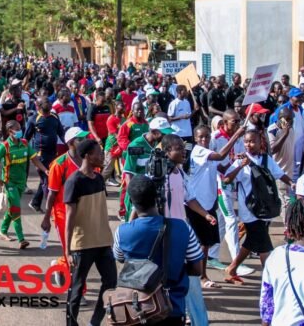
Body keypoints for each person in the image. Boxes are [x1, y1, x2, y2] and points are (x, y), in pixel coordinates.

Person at [114, 174, 205, 326]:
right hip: (172, 307)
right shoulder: (183, 227)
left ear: (131, 201)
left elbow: (120, 258)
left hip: (138, 307)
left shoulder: (122, 231)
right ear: (157, 197)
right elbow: (197, 269)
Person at [223, 130, 292, 283]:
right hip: (249, 209)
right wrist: (240, 166)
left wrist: (292, 183)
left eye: (253, 141)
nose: (249, 145)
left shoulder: (267, 159)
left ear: (261, 143)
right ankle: (271, 277)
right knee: (263, 241)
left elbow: (279, 174)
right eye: (246, 142)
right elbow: (227, 180)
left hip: (266, 207)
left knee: (254, 240)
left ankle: (232, 268)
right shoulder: (241, 161)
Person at [63, 139, 116, 326]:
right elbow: (69, 219)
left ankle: (94, 322)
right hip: (82, 243)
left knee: (111, 282)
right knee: (77, 288)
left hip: (102, 241)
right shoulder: (74, 181)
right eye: (99, 153)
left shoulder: (100, 178)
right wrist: (68, 250)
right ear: (87, 156)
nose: (102, 156)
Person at [188, 124, 244, 288]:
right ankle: (201, 277)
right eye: (201, 137)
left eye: (207, 136)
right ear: (196, 139)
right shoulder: (199, 152)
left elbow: (222, 166)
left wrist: (237, 161)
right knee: (201, 243)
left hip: (208, 203)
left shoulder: (208, 154)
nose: (204, 139)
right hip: (197, 204)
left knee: (205, 243)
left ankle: (201, 275)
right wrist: (236, 135)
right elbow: (220, 156)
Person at [0, 120, 49, 249]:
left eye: (20, 128)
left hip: (22, 183)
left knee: (12, 208)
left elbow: (35, 159)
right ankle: (22, 239)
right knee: (16, 209)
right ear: (10, 132)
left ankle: (3, 231)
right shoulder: (5, 146)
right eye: (17, 129)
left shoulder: (25, 143)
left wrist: (46, 170)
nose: (20, 131)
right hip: (9, 183)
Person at [41, 127, 89, 285]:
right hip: (63, 214)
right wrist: (47, 218)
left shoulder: (88, 161)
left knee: (81, 250)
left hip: (83, 213)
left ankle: (60, 265)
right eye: (80, 139)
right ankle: (80, 291)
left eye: (84, 138)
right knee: (75, 253)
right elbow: (52, 194)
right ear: (70, 143)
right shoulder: (59, 164)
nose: (84, 141)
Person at [122, 117, 175, 219]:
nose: (166, 136)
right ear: (154, 132)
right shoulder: (136, 146)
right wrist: (135, 196)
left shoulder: (159, 145)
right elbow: (128, 174)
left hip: (152, 194)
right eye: (163, 134)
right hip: (138, 193)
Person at [24, 96, 66, 212]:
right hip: (40, 156)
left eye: (48, 101)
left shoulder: (54, 117)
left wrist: (69, 143)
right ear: (38, 105)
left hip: (53, 154)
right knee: (48, 180)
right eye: (45, 101)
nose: (48, 102)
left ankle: (35, 202)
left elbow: (61, 133)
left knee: (46, 180)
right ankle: (52, 210)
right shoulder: (33, 119)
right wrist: (24, 154)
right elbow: (25, 138)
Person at [268, 108, 296, 208]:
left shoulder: (291, 129)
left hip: (290, 172)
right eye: (287, 119)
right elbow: (272, 150)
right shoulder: (272, 130)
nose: (290, 121)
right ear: (281, 119)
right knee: (286, 203)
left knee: (289, 201)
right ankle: (287, 223)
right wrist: (285, 133)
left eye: (292, 119)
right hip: (280, 173)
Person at [102, 100, 124, 186]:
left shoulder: (124, 119)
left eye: (123, 106)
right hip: (111, 146)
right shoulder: (111, 119)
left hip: (121, 145)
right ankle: (99, 184)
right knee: (108, 168)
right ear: (116, 107)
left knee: (124, 167)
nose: (123, 108)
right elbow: (115, 134)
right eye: (120, 106)